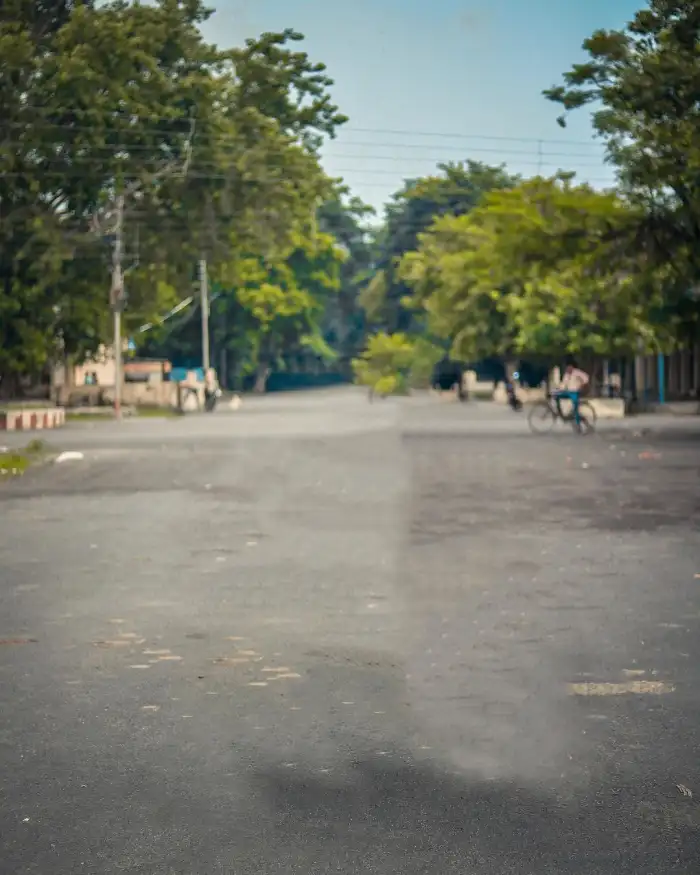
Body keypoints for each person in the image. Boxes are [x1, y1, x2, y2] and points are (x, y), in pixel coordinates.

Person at [554, 362, 590, 427]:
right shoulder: (567, 374)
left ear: (572, 367)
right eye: (567, 367)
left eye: (569, 367)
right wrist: (559, 389)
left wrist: (582, 386)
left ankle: (578, 425)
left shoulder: (577, 372)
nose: (567, 369)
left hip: (575, 392)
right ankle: (561, 413)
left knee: (575, 409)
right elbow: (564, 384)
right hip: (568, 392)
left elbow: (586, 378)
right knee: (556, 396)